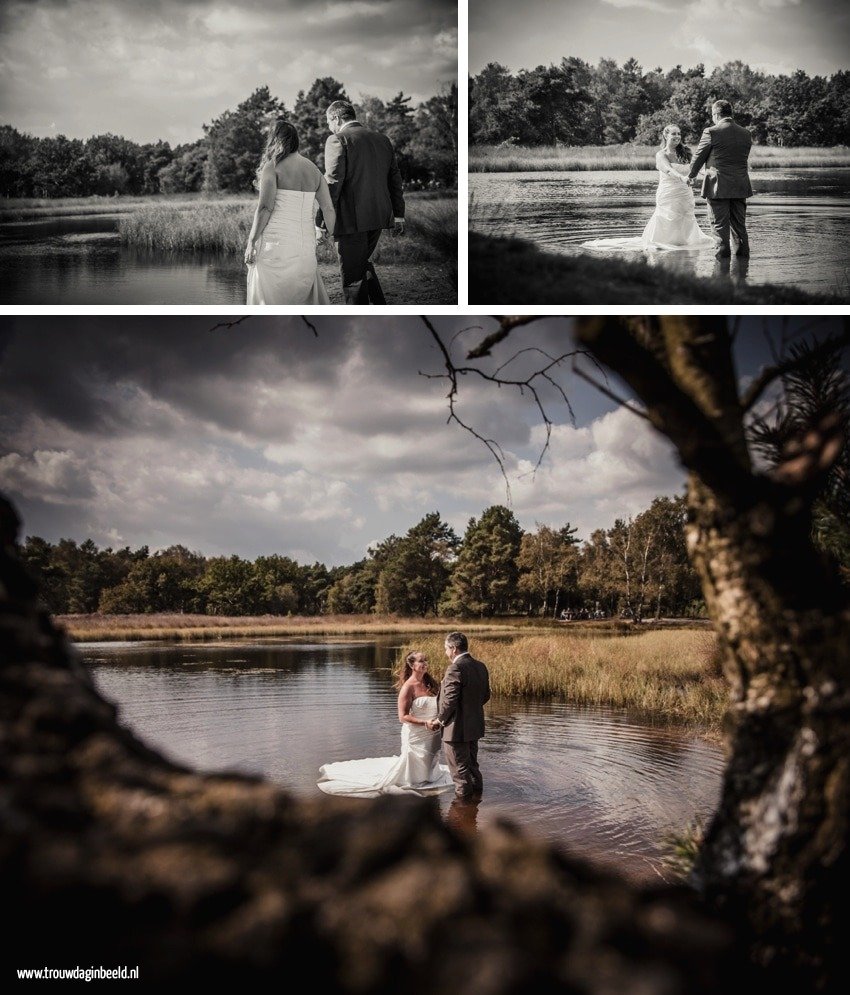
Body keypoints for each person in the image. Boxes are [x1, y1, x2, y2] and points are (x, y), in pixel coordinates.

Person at [317, 651, 452, 797]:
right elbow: (402, 716)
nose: (425, 663)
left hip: (433, 732)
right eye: (421, 661)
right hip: (417, 733)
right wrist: (425, 723)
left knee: (430, 765)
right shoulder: (408, 687)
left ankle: (429, 778)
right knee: (415, 773)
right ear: (412, 665)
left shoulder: (431, 683)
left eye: (426, 660)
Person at [315, 99, 405, 304]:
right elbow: (395, 179)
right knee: (362, 265)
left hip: (351, 220)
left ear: (336, 118)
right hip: (378, 216)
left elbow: (332, 184)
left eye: (328, 121)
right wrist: (399, 215)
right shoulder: (382, 139)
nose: (329, 126)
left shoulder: (337, 140)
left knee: (353, 279)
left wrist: (320, 222)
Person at [582, 124, 714, 252]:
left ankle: (683, 243)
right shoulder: (661, 155)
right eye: (674, 133)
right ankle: (665, 242)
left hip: (685, 193)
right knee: (667, 217)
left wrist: (706, 174)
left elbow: (695, 167)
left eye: (679, 133)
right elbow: (668, 170)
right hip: (668, 192)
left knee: (685, 216)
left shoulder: (686, 152)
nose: (677, 136)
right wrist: (682, 177)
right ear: (665, 135)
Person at [245, 118, 335, 304]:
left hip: (276, 245)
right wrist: (333, 235)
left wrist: (251, 241)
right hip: (305, 246)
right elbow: (328, 207)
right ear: (296, 141)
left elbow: (265, 208)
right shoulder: (314, 170)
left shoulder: (273, 167)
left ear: (275, 140)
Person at [427, 632, 491, 801]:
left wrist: (440, 720)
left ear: (454, 649)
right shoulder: (481, 666)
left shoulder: (455, 668)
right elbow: (485, 696)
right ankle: (477, 803)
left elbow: (450, 701)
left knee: (459, 772)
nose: (445, 652)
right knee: (472, 767)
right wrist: (469, 712)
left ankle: (463, 813)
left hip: (455, 730)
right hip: (474, 726)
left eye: (446, 649)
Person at [687, 99, 754, 259]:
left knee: (719, 229)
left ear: (716, 114)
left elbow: (697, 159)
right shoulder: (746, 133)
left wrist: (691, 175)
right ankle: (742, 270)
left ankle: (720, 274)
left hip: (718, 187)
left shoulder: (711, 132)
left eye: (712, 115)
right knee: (739, 229)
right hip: (740, 186)